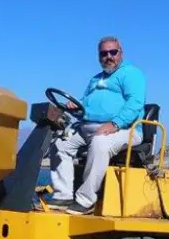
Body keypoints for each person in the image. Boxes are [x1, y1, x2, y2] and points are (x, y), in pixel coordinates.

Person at [45, 36, 147, 215]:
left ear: (120, 53)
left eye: (112, 52)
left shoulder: (131, 73)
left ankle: (86, 200)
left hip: (125, 129)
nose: (108, 56)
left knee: (100, 143)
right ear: (99, 56)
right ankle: (63, 195)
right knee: (59, 143)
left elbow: (135, 103)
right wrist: (76, 106)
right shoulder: (95, 79)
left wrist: (115, 124)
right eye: (104, 53)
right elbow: (85, 103)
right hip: (88, 126)